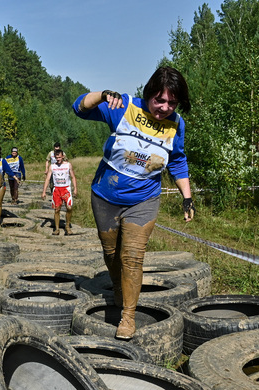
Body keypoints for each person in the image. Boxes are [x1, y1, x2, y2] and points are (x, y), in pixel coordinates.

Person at [73, 66, 195, 340]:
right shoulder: (124, 107)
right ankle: (118, 284)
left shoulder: (177, 125)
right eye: (159, 100)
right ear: (148, 93)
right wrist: (102, 95)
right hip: (105, 196)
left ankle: (127, 316)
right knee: (111, 254)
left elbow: (177, 160)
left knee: (132, 257)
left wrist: (187, 197)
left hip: (144, 199)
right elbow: (79, 108)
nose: (164, 108)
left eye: (172, 103)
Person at [41, 149, 77, 236]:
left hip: (66, 189)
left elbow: (73, 177)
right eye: (56, 158)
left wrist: (75, 188)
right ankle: (57, 229)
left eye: (59, 157)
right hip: (57, 189)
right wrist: (44, 191)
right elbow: (47, 179)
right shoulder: (52, 166)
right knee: (57, 210)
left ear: (63, 157)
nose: (58, 159)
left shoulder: (68, 165)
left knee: (69, 208)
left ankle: (67, 226)